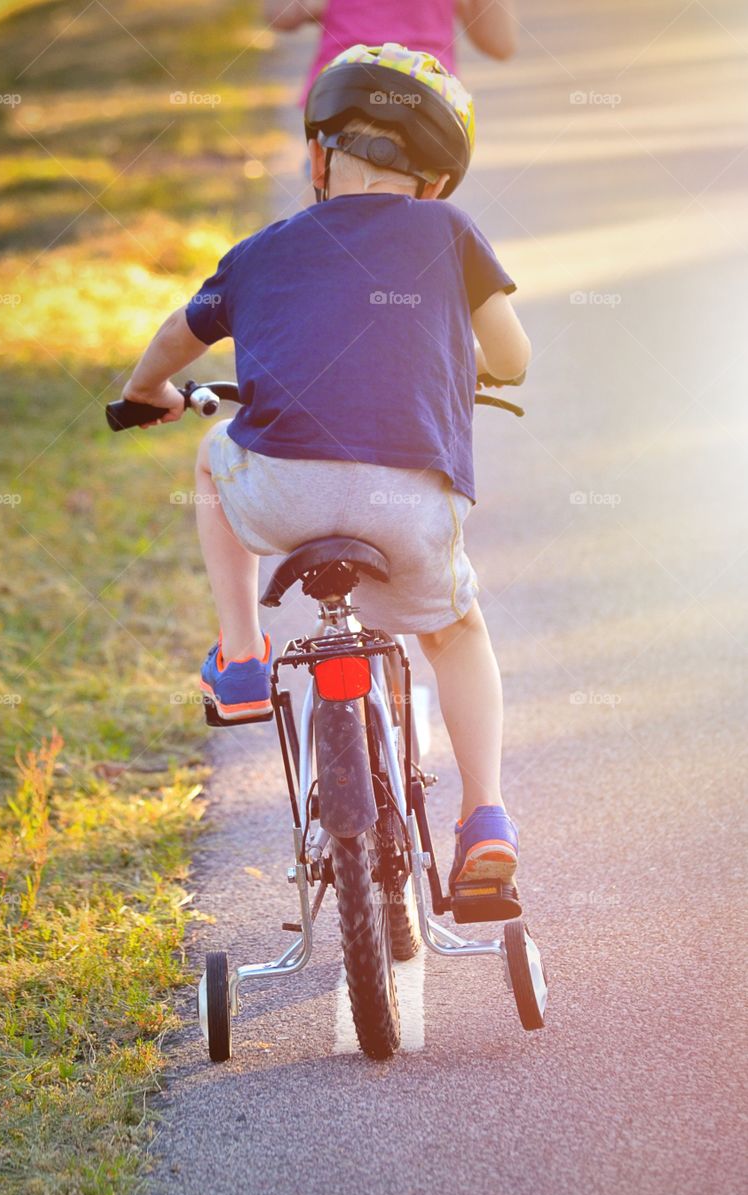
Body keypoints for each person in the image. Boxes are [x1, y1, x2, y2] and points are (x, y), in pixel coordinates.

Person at [121, 44, 530, 897]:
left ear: (318, 158)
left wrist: (146, 389)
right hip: (408, 505)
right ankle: (483, 816)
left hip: (283, 494)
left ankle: (238, 658)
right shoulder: (450, 233)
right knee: (456, 634)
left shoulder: (261, 250)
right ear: (434, 185)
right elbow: (514, 359)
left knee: (210, 456)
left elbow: (175, 334)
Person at [265, 0, 519, 102]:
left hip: (342, 88)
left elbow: (281, 15)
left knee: (325, 205)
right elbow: (500, 44)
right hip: (426, 91)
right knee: (424, 203)